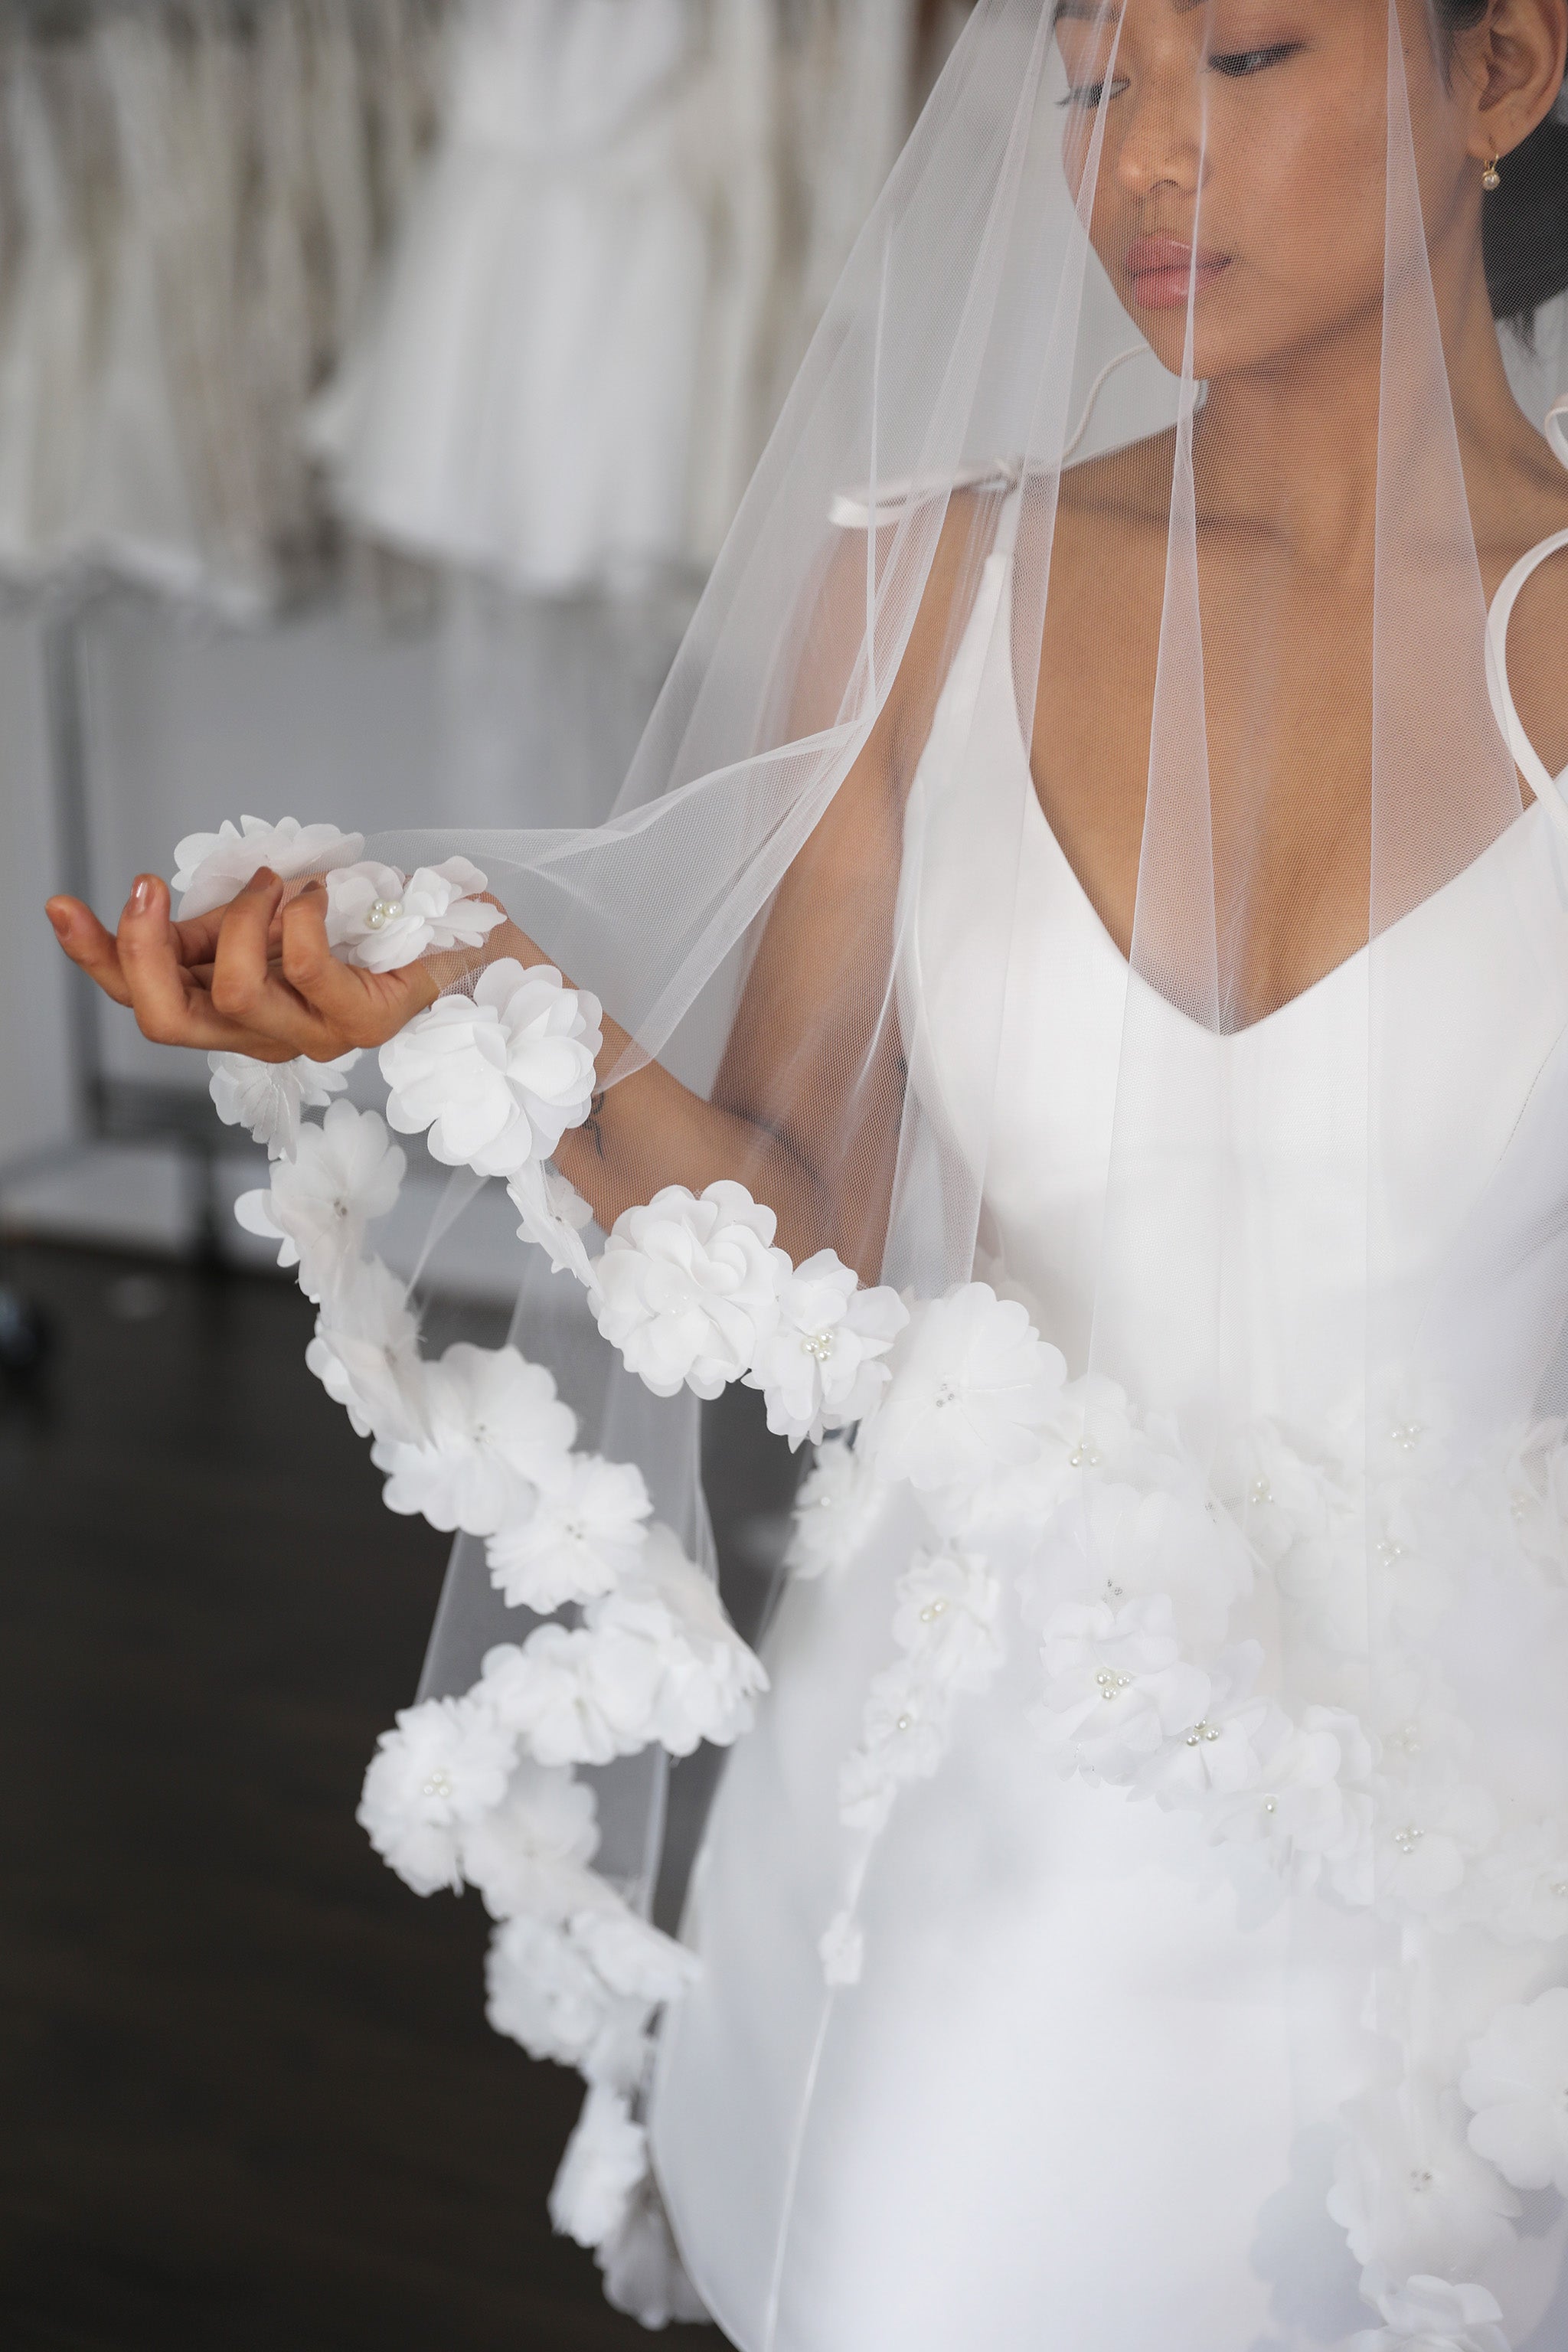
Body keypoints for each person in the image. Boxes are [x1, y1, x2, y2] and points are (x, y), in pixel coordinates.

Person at [43, 4, 1568, 2346]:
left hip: (1489, 1855)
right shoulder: (936, 591)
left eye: (1246, 54)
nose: (1144, 158)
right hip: (996, 1833)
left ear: (1506, 70)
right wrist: (477, 1007)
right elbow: (797, 1225)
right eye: (1091, 72)